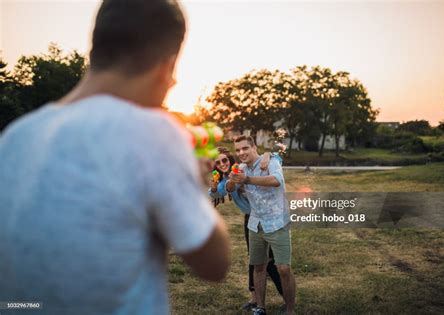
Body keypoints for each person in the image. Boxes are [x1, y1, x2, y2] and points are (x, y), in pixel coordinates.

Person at [0, 1, 230, 315]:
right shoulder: (154, 132)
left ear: (97, 49)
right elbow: (214, 264)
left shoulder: (16, 136)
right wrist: (198, 186)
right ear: (167, 66)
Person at [227, 136, 296, 315]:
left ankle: (289, 310)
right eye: (238, 150)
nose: (241, 153)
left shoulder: (270, 161)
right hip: (255, 224)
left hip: (277, 222)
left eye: (245, 148)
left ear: (254, 147)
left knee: (284, 268)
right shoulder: (240, 168)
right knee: (258, 267)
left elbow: (276, 181)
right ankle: (260, 308)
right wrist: (231, 182)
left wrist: (247, 179)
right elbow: (229, 188)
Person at [209, 147, 283, 311]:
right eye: (218, 162)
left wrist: (267, 155)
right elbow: (218, 191)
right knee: (255, 259)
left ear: (230, 159)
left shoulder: (243, 168)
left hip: (268, 216)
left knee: (269, 261)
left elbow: (277, 157)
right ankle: (255, 298)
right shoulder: (225, 180)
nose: (222, 164)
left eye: (225, 160)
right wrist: (213, 189)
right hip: (251, 218)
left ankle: (286, 296)